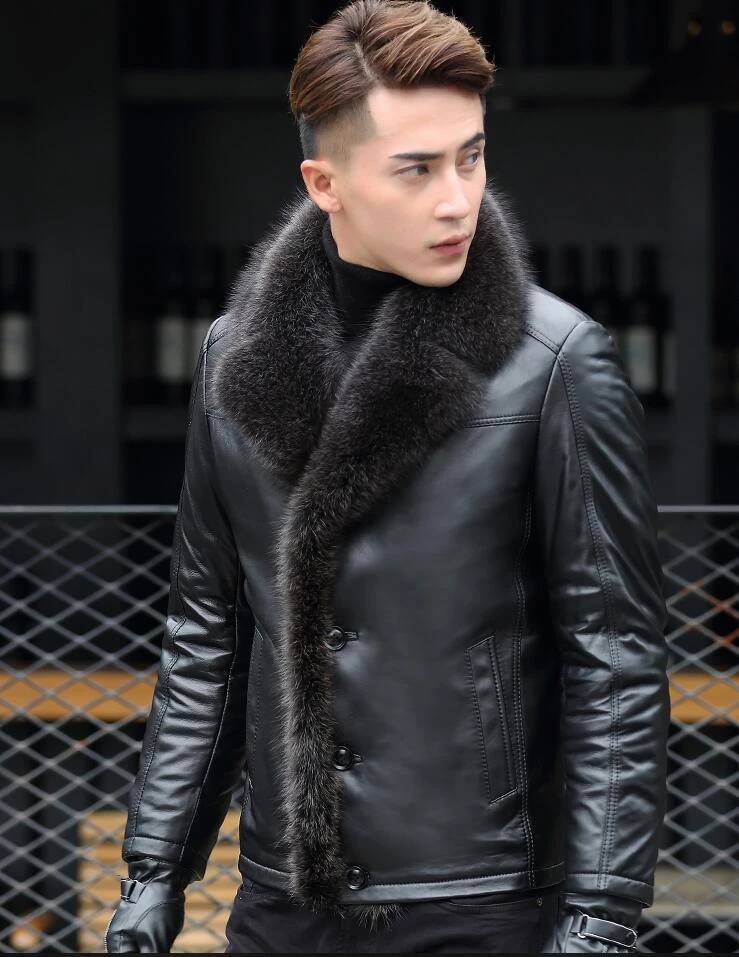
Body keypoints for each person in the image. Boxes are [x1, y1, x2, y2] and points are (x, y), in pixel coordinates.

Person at [105, 1, 670, 953]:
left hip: (482, 901)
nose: (457, 199)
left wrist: (601, 917)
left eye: (471, 157)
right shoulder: (233, 358)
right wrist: (155, 868)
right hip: (283, 900)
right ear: (323, 183)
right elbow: (207, 631)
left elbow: (613, 658)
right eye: (416, 169)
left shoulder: (555, 361)